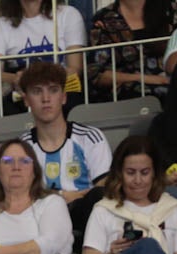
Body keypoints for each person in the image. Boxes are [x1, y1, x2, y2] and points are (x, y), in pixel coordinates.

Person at [18, 62, 111, 206]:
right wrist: (62, 196)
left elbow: (104, 190)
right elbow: (21, 195)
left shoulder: (90, 137)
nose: (46, 99)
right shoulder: (22, 148)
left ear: (64, 97)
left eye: (53, 90)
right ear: (26, 100)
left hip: (85, 216)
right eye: (37, 91)